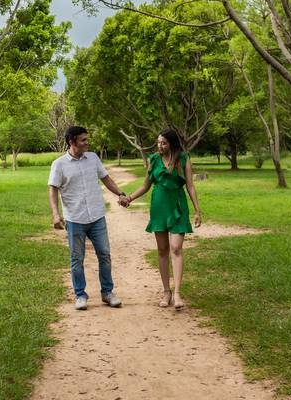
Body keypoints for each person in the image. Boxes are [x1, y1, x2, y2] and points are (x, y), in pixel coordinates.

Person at [48, 125, 127, 310]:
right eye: (83, 140)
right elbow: (53, 189)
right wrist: (55, 214)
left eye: (86, 139)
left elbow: (106, 179)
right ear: (71, 142)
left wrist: (120, 193)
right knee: (77, 259)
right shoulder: (59, 164)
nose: (87, 142)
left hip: (97, 216)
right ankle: (80, 295)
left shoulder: (93, 158)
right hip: (75, 218)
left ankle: (107, 292)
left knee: (105, 255)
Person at [120, 129, 201, 310]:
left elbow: (190, 185)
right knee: (163, 250)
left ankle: (178, 293)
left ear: (171, 143)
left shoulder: (183, 158)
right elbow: (145, 185)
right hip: (159, 207)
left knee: (176, 248)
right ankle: (166, 291)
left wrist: (197, 210)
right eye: (158, 143)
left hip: (177, 205)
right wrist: (129, 199)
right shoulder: (154, 159)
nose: (160, 146)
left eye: (163, 143)